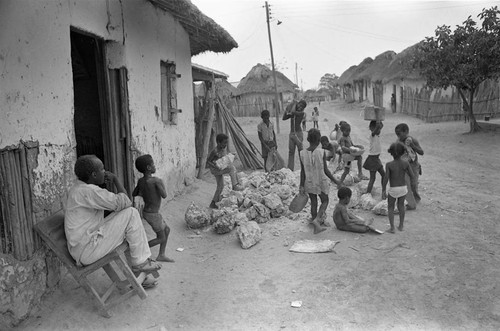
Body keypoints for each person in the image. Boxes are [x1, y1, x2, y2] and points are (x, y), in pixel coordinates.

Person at [65, 155, 160, 288]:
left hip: (85, 245)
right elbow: (125, 202)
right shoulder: (88, 191)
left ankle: (139, 273)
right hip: (87, 250)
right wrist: (115, 179)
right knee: (131, 213)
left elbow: (118, 205)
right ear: (93, 174)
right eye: (102, 170)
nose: (105, 172)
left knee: (127, 219)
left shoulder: (79, 188)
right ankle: (140, 264)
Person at [132, 154, 174, 263]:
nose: (155, 166)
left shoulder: (141, 181)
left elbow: (134, 193)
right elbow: (164, 195)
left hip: (148, 212)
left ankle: (161, 255)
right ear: (149, 168)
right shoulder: (156, 181)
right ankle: (139, 251)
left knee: (167, 230)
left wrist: (144, 190)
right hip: (153, 215)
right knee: (162, 238)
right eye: (153, 164)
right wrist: (160, 183)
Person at [299, 129, 340, 234]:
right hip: (320, 181)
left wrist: (301, 185)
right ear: (318, 141)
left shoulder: (302, 153)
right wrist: (335, 180)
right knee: (325, 200)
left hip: (308, 182)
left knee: (313, 202)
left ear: (308, 139)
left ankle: (314, 221)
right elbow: (326, 171)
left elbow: (302, 172)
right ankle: (317, 220)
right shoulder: (321, 153)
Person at [382, 143, 420, 233]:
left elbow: (386, 178)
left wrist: (383, 189)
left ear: (391, 153)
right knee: (401, 206)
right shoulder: (405, 163)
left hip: (393, 189)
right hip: (403, 188)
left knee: (390, 207)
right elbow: (412, 175)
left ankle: (392, 228)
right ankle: (401, 225)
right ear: (403, 152)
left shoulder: (389, 165)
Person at [207, 133, 244, 209]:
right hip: (215, 169)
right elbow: (208, 161)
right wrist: (215, 165)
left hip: (219, 168)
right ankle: (235, 185)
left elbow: (224, 158)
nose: (225, 145)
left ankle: (213, 203)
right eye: (224, 143)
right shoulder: (215, 151)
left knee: (220, 186)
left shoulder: (222, 149)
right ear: (218, 142)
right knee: (232, 168)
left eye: (226, 143)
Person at [395, 123, 424, 210]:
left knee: (413, 184)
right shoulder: (398, 142)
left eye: (399, 134)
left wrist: (413, 146)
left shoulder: (412, 141)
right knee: (406, 184)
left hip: (413, 166)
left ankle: (416, 198)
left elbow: (421, 152)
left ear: (406, 131)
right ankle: (409, 202)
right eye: (397, 134)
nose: (398, 136)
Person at [363, 120, 386, 194]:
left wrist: (379, 119)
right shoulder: (372, 135)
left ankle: (383, 192)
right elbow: (377, 128)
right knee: (373, 178)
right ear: (372, 129)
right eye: (378, 129)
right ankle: (367, 194)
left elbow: (381, 126)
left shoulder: (377, 135)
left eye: (380, 129)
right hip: (372, 159)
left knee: (384, 175)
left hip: (376, 159)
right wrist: (378, 124)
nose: (379, 130)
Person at [283, 99, 306, 170]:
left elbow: (292, 112)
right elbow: (284, 118)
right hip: (292, 133)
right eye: (299, 105)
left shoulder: (301, 113)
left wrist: (294, 104)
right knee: (291, 152)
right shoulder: (293, 114)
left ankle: (303, 168)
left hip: (298, 134)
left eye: (302, 106)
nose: (300, 107)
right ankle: (290, 169)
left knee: (300, 152)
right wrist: (287, 110)